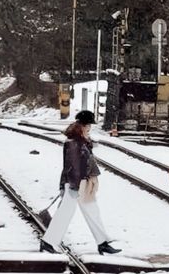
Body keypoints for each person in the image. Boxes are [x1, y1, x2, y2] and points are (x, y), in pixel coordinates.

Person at [40, 109, 121, 255]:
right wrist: (74, 186)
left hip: (83, 183)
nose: (90, 128)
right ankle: (48, 242)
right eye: (88, 125)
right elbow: (73, 166)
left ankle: (102, 243)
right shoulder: (73, 142)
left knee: (92, 212)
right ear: (83, 126)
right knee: (65, 214)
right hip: (75, 184)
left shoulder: (80, 140)